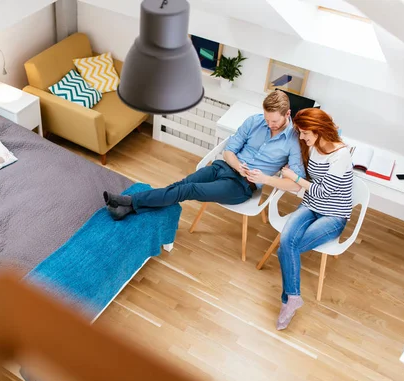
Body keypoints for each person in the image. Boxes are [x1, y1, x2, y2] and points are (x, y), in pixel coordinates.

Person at [103, 90, 305, 220]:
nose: (269, 125)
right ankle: (128, 209)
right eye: (267, 119)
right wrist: (237, 166)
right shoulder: (254, 121)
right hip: (224, 168)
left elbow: (297, 184)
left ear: (288, 114)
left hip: (241, 186)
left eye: (275, 122)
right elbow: (229, 150)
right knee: (181, 185)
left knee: (187, 189)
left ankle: (129, 201)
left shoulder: (293, 141)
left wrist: (265, 179)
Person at [270, 108, 353, 330]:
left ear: (319, 130)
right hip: (310, 205)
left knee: (286, 249)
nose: (302, 137)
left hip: (334, 214)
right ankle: (293, 298)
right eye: (301, 132)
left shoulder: (341, 155)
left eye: (306, 132)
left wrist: (295, 177)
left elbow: (325, 192)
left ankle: (288, 301)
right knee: (288, 245)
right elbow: (311, 184)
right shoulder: (312, 146)